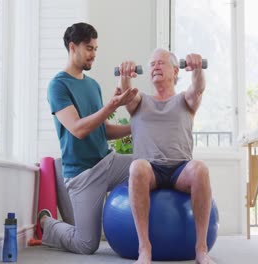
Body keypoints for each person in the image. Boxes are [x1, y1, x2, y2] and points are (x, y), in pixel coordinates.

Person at [41, 22, 138, 254]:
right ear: (73, 47)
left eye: (96, 48)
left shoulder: (93, 85)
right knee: (86, 244)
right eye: (89, 48)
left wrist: (137, 126)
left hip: (108, 162)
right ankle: (47, 224)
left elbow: (102, 129)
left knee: (147, 165)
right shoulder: (58, 86)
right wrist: (111, 105)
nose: (94, 54)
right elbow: (78, 129)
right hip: (82, 174)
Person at [118, 49, 215, 264]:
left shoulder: (185, 100)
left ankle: (201, 248)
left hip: (180, 169)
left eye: (161, 63)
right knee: (137, 167)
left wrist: (197, 69)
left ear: (175, 70)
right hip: (150, 170)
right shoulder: (139, 100)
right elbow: (126, 94)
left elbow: (198, 88)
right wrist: (125, 75)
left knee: (200, 168)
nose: (155, 67)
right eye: (152, 64)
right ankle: (145, 248)